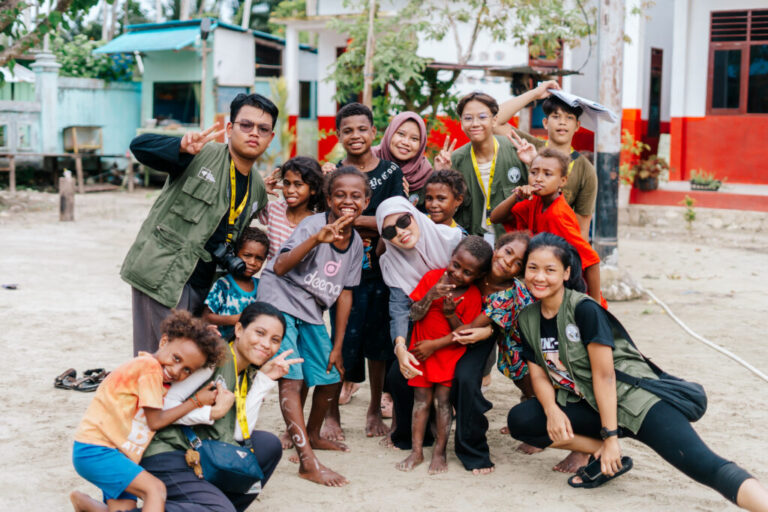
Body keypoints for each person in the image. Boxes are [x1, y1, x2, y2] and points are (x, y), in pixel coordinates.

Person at [507, 233, 768, 510]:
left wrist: (611, 438)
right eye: (533, 268)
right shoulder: (528, 318)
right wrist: (552, 411)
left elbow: (605, 376)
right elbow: (537, 374)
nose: (539, 277)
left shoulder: (584, 310)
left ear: (566, 272)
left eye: (550, 270)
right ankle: (598, 453)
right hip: (589, 405)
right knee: (522, 421)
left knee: (704, 465)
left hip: (634, 402)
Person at [89, 302, 297, 512]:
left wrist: (263, 381)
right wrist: (210, 412)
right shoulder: (212, 358)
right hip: (165, 450)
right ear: (239, 329)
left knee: (268, 445)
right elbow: (165, 405)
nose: (265, 344)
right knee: (220, 510)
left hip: (199, 450)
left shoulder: (248, 372)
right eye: (260, 333)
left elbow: (239, 433)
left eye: (275, 340)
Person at [123, 93, 277, 355]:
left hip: (206, 288)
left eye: (263, 129)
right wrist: (181, 147)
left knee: (188, 365)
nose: (254, 134)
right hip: (163, 277)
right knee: (156, 361)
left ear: (271, 138)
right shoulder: (200, 153)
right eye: (246, 125)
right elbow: (139, 147)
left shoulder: (258, 188)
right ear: (229, 129)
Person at [256, 167, 368, 486]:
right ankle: (307, 461)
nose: (348, 200)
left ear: (366, 201)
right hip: (279, 298)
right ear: (329, 198)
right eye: (340, 195)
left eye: (356, 196)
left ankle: (314, 434)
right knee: (291, 379)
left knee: (331, 377)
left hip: (310, 310)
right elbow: (279, 266)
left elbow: (345, 294)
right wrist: (317, 239)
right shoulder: (313, 224)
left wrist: (337, 345)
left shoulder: (357, 242)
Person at [390, 232, 532, 474]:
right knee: (397, 376)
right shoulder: (465, 267)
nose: (508, 261)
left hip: (478, 337)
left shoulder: (501, 292)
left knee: (465, 380)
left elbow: (468, 332)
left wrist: (445, 333)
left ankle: (472, 450)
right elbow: (415, 309)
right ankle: (413, 439)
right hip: (444, 336)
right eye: (507, 252)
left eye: (517, 262)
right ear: (497, 248)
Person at [69, 311, 226, 512]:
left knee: (123, 510)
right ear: (163, 342)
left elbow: (204, 366)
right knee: (155, 489)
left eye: (187, 370)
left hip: (115, 454)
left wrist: (208, 339)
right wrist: (195, 401)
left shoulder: (153, 372)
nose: (177, 371)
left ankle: (85, 504)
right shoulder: (150, 368)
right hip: (97, 451)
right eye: (176, 358)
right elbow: (155, 421)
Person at [323, 103, 406, 440]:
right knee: (340, 339)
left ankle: (374, 410)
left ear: (374, 133)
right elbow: (328, 220)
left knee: (379, 343)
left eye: (362, 129)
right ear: (339, 135)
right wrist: (370, 223)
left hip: (381, 271)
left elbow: (396, 220)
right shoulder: (333, 174)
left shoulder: (390, 172)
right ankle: (331, 414)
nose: (355, 136)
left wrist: (354, 220)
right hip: (339, 272)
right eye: (347, 130)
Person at [395, 236, 490, 474]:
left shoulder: (473, 295)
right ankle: (416, 452)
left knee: (443, 403)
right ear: (451, 258)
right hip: (421, 354)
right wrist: (431, 296)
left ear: (477, 276)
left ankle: (439, 452)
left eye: (467, 272)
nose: (458, 274)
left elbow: (464, 333)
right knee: (421, 401)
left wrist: (450, 314)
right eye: (456, 265)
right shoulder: (431, 278)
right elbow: (414, 314)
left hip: (448, 356)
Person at [490, 146, 604, 306]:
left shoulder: (558, 215)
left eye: (547, 174)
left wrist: (596, 305)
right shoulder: (536, 201)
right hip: (549, 284)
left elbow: (592, 260)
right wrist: (516, 196)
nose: (538, 179)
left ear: (563, 181)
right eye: (534, 172)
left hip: (572, 292)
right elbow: (495, 217)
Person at [495, 92, 597, 241]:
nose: (562, 122)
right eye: (556, 116)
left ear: (577, 126)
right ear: (545, 123)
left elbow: (582, 226)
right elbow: (495, 120)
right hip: (520, 240)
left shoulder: (585, 170)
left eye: (569, 118)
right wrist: (536, 93)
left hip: (556, 246)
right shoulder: (528, 146)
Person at [449, 92, 531, 241]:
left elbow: (539, 195)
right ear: (461, 123)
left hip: (513, 242)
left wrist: (532, 163)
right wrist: (442, 173)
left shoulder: (516, 151)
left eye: (482, 117)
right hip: (470, 243)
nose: (475, 123)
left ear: (494, 120)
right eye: (468, 118)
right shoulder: (455, 160)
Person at [202, 227, 269, 340]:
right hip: (217, 346)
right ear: (236, 254)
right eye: (247, 255)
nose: (253, 262)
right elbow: (205, 317)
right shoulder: (224, 284)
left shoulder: (260, 287)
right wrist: (235, 319)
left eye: (259, 258)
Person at [260, 156, 326, 260]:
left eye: (298, 184)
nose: (290, 190)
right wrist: (261, 188)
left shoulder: (318, 224)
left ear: (313, 189)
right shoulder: (273, 209)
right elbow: (245, 211)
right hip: (271, 276)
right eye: (287, 183)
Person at [372, 111, 441, 207]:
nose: (406, 142)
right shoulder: (369, 159)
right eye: (401, 134)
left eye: (414, 139)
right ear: (390, 133)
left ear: (421, 144)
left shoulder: (424, 171)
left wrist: (441, 175)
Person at [424, 169, 468, 235]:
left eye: (441, 199)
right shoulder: (416, 224)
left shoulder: (460, 237)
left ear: (458, 200)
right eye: (429, 198)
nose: (433, 205)